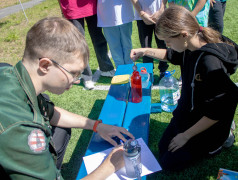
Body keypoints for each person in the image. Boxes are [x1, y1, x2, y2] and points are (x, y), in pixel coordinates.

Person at [0, 17, 134, 179]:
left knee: (61, 130)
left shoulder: (10, 74)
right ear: (45, 66)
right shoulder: (20, 127)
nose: (77, 80)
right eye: (73, 73)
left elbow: (50, 112)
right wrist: (110, 166)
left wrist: (97, 126)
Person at [130, 5, 238, 171]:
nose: (167, 44)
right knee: (162, 149)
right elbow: (169, 55)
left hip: (210, 120)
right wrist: (144, 51)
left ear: (183, 35)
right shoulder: (188, 45)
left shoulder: (209, 62)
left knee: (169, 164)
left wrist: (186, 136)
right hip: (190, 112)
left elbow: (220, 108)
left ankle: (222, 136)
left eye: (168, 41)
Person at [58, 0, 116, 90]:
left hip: (91, 4)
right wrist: (62, 8)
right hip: (71, 7)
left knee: (99, 38)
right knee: (79, 44)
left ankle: (106, 68)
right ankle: (86, 76)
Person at [130, 0, 169, 81]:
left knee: (162, 44)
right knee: (145, 46)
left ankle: (163, 71)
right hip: (142, 18)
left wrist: (161, 9)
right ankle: (148, 73)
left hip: (160, 15)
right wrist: (141, 13)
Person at [97, 0, 134, 68]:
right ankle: (120, 69)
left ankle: (130, 68)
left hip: (124, 13)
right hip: (107, 15)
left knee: (127, 44)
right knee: (114, 47)